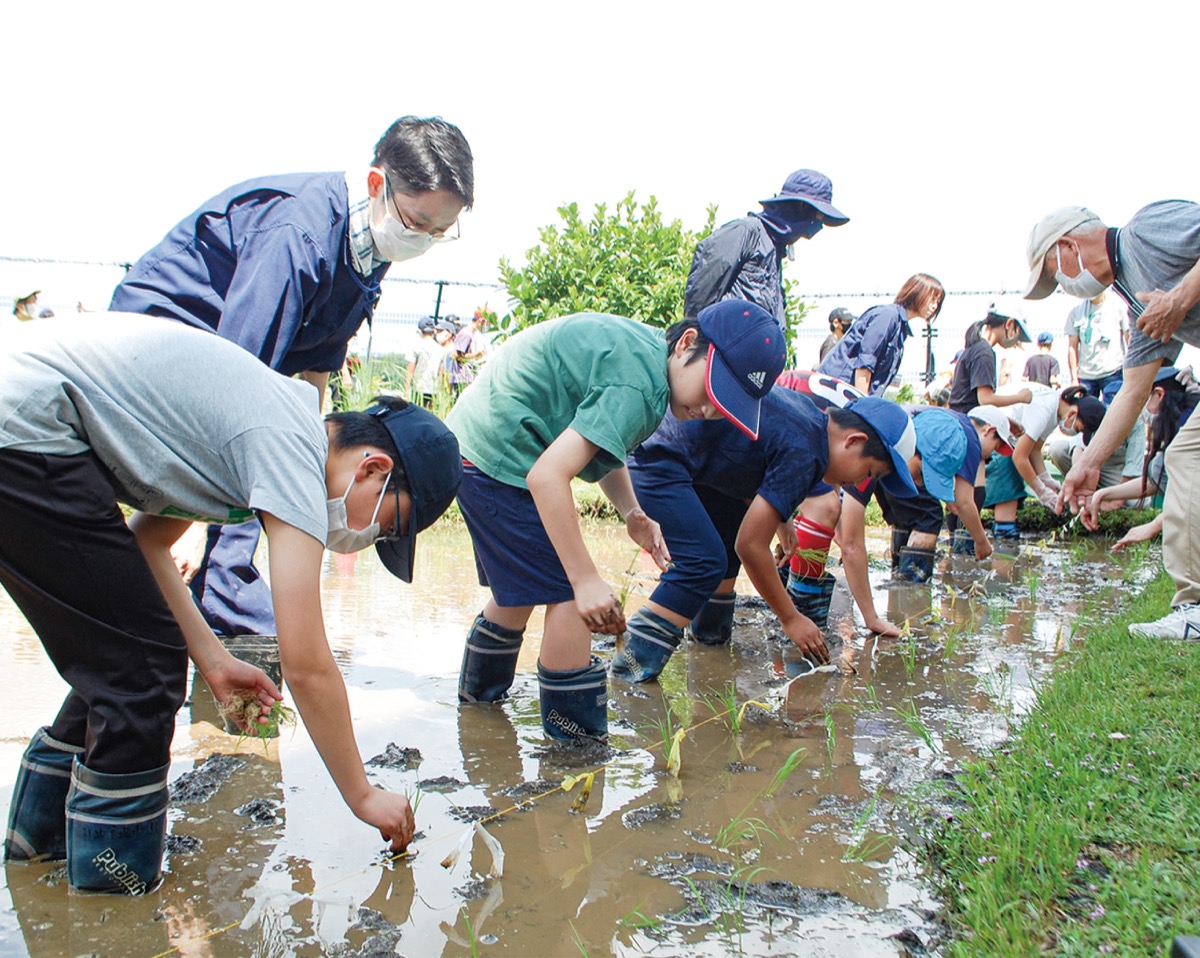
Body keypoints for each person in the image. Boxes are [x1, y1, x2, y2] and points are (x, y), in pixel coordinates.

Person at [0, 313, 462, 893]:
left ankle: (36, 852)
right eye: (387, 525)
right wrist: (361, 793)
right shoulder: (291, 448)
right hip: (27, 426)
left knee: (124, 656)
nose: (368, 539)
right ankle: (109, 904)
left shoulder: (261, 427)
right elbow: (306, 661)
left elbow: (148, 545)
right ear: (373, 466)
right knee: (140, 678)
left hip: (26, 419)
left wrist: (213, 660)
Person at [109, 116, 473, 640]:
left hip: (229, 389)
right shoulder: (298, 235)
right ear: (377, 185)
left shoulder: (369, 246)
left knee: (242, 534)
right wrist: (189, 518)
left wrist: (304, 467)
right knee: (210, 552)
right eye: (418, 224)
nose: (422, 241)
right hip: (162, 364)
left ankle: (227, 678)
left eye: (439, 233)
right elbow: (229, 375)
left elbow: (313, 374)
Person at [446, 301, 788, 742]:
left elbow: (601, 446)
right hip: (501, 452)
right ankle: (576, 747)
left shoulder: (646, 359)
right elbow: (548, 475)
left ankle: (479, 713)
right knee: (569, 595)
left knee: (520, 594)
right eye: (713, 390)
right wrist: (586, 580)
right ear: (687, 343)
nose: (710, 410)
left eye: (728, 404)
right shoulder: (641, 385)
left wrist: (633, 513)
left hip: (482, 443)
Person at [612, 376, 918, 683]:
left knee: (727, 538)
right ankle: (630, 670)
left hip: (683, 457)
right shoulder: (809, 450)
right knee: (704, 562)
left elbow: (746, 455)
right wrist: (791, 618)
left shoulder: (810, 418)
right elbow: (751, 546)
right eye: (868, 472)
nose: (858, 483)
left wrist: (783, 519)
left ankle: (709, 645)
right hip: (659, 459)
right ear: (853, 441)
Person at [1024, 202, 1200, 639]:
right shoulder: (1134, 300)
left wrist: (1180, 298)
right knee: (1186, 456)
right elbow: (1132, 391)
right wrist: (1089, 464)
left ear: (1067, 245)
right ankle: (1193, 608)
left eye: (1053, 274)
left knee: (1187, 457)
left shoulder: (1146, 230)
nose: (1062, 286)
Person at [839, 406, 1012, 629]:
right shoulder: (967, 437)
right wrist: (981, 541)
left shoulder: (935, 425)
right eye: (996, 446)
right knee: (928, 516)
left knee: (910, 515)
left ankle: (900, 598)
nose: (991, 454)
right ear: (989, 430)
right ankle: (912, 602)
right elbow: (965, 501)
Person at [684, 169, 849, 328]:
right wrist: (698, 344)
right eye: (816, 216)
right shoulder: (746, 231)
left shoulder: (774, 250)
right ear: (800, 206)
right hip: (720, 352)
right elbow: (700, 295)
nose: (816, 225)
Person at [1086, 366, 1199, 546]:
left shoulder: (1189, 435)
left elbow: (1193, 498)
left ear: (1159, 394)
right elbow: (1154, 481)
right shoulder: (1171, 432)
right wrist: (1103, 494)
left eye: (1141, 399)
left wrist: (1153, 526)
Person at [984, 386, 1106, 538]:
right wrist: (1041, 491)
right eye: (1078, 428)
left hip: (1007, 444)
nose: (1075, 432)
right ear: (1073, 413)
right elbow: (1020, 457)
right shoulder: (1045, 408)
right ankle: (1002, 547)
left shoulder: (1055, 411)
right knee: (1008, 493)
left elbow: (1034, 451)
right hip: (996, 441)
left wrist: (1046, 479)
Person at [819, 273, 944, 396]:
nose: (935, 306)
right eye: (932, 299)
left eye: (938, 301)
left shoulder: (900, 327)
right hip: (835, 394)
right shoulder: (887, 316)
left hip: (844, 395)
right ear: (917, 292)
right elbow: (865, 364)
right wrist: (862, 407)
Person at [948, 303, 1035, 414]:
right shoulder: (984, 352)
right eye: (1017, 333)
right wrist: (1021, 397)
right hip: (967, 422)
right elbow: (985, 399)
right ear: (1009, 324)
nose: (1017, 339)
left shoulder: (976, 347)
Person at [1065, 290, 1128, 402]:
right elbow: (1072, 347)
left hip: (1112, 371)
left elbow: (1129, 338)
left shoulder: (1118, 306)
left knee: (1112, 412)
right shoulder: (1076, 312)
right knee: (1086, 414)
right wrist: (1074, 379)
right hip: (1085, 375)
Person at [407, 316, 446, 408]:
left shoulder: (416, 346)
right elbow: (441, 374)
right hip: (434, 389)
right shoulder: (441, 350)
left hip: (418, 388)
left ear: (419, 331)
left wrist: (407, 390)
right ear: (433, 331)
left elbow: (410, 371)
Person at [447, 309, 488, 395]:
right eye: (486, 323)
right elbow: (456, 355)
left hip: (464, 377)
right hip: (462, 378)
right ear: (480, 321)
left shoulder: (470, 333)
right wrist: (475, 355)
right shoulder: (467, 334)